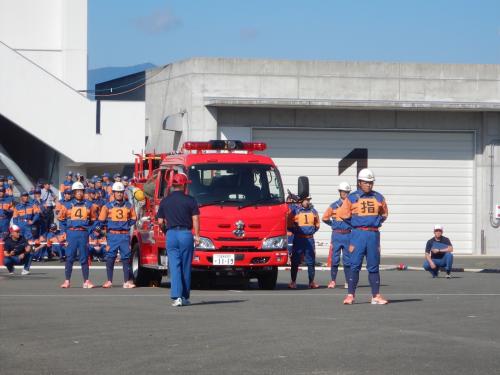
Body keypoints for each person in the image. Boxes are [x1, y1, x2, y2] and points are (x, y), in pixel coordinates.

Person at [337, 168, 389, 305]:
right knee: (355, 265)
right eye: (366, 182)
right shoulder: (352, 197)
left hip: (373, 234)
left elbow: (384, 214)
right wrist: (355, 223)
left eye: (371, 182)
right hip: (357, 234)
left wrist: (375, 222)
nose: (369, 185)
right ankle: (350, 295)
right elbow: (342, 214)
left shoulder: (379, 197)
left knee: (374, 266)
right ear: (359, 182)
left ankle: (376, 295)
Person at [156, 173, 200, 307]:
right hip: (185, 233)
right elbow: (195, 219)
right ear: (184, 185)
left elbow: (160, 221)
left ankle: (176, 296)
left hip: (171, 234)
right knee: (185, 266)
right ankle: (185, 296)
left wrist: (166, 231)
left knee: (174, 266)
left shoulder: (165, 201)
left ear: (173, 185)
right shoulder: (191, 200)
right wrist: (197, 235)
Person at [58, 181, 97, 289]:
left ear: (84, 192)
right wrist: (64, 232)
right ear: (74, 192)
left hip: (83, 233)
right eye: (77, 191)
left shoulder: (89, 205)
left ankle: (86, 281)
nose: (79, 193)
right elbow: (61, 220)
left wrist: (89, 231)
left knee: (84, 257)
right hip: (71, 233)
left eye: (81, 191)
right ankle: (67, 281)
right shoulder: (66, 205)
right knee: (70, 257)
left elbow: (93, 220)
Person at [98, 182, 137, 288]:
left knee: (126, 258)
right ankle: (109, 280)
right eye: (117, 192)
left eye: (121, 192)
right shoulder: (107, 206)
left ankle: (126, 282)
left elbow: (134, 218)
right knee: (110, 257)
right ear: (113, 193)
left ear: (123, 193)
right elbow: (101, 220)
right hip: (112, 235)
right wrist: (106, 227)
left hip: (124, 235)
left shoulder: (129, 205)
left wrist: (127, 225)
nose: (119, 194)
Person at [322, 181, 352, 289]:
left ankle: (348, 281)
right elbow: (324, 218)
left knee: (347, 260)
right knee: (335, 259)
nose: (345, 194)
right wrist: (333, 224)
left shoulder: (351, 206)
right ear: (339, 192)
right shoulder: (333, 205)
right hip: (336, 235)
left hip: (348, 235)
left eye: (347, 192)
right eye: (343, 192)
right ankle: (333, 281)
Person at [288, 195, 321, 289]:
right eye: (306, 200)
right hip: (298, 239)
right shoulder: (295, 211)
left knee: (311, 261)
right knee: (295, 261)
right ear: (301, 201)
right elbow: (289, 223)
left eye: (309, 200)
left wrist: (312, 231)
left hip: (309, 239)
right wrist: (296, 231)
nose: (307, 202)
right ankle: (293, 282)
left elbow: (317, 224)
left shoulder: (313, 211)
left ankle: (311, 282)